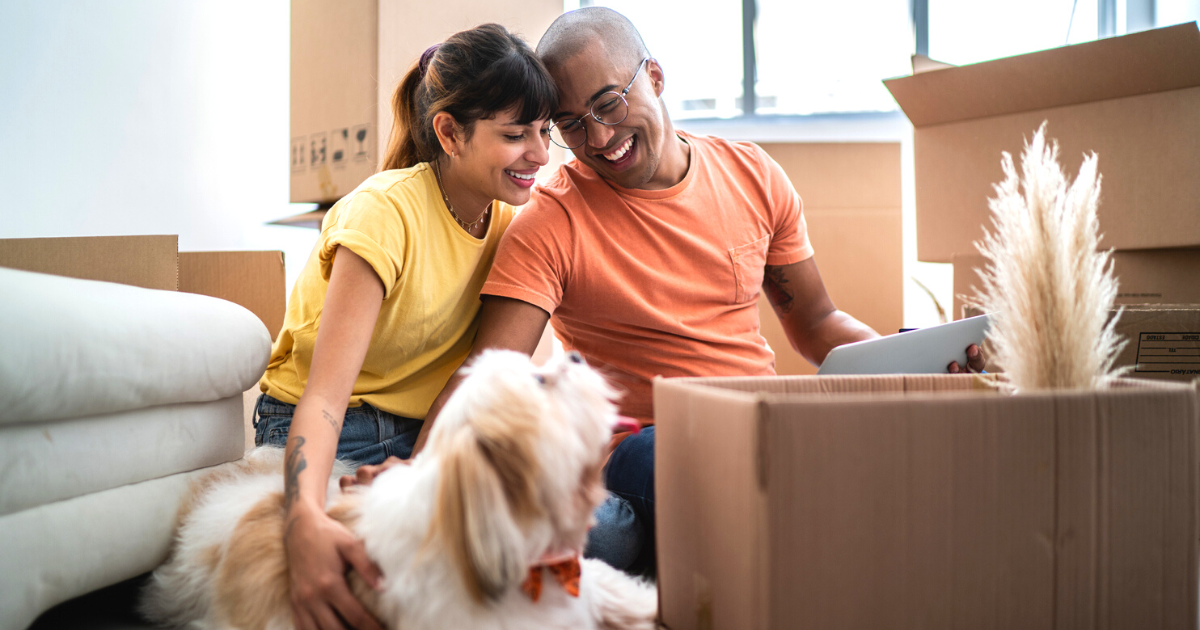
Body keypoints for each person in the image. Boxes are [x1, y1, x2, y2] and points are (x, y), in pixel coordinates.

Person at [360, 7, 986, 574]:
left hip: (765, 431)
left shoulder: (753, 175)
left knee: (871, 456)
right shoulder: (552, 220)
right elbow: (487, 373)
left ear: (654, 77)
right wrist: (418, 478)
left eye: (608, 104)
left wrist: (908, 371)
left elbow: (818, 323)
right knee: (680, 464)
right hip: (641, 450)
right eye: (572, 125)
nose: (599, 138)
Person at [252, 24, 556, 630]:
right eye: (515, 134)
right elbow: (324, 400)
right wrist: (303, 521)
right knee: (386, 570)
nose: (541, 155)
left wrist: (422, 467)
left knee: (600, 530)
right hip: (338, 429)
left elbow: (476, 385)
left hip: (424, 438)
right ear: (449, 132)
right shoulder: (383, 213)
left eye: (546, 133)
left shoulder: (506, 226)